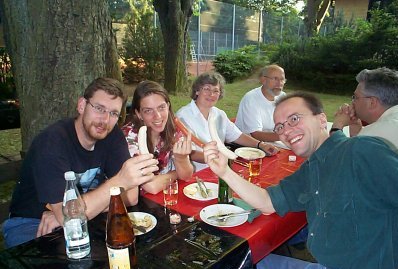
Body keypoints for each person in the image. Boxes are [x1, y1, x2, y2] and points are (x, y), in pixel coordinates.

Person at [203, 91, 398, 269]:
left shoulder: (360, 151)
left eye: (294, 119)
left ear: (322, 119)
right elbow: (268, 203)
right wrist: (225, 172)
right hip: (324, 264)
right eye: (280, 127)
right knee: (245, 262)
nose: (286, 130)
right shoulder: (312, 168)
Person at [2, 78, 159, 248]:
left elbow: (131, 197)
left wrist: (73, 212)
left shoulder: (112, 136)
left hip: (81, 218)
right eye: (99, 108)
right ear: (82, 105)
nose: (105, 120)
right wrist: (118, 183)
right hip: (31, 222)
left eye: (114, 113)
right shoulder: (52, 142)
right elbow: (69, 218)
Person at [176, 71, 278, 172]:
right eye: (207, 89)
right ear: (197, 91)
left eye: (216, 91)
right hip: (197, 172)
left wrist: (261, 145)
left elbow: (237, 135)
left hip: (221, 168)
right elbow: (188, 153)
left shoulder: (219, 114)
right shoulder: (183, 117)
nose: (211, 94)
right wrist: (216, 157)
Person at [121, 80, 193, 194]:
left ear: (168, 107)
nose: (157, 116)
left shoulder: (174, 129)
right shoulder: (129, 136)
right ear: (139, 114)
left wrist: (181, 159)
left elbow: (187, 176)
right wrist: (176, 173)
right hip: (136, 205)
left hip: (165, 197)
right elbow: (151, 186)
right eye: (148, 111)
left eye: (161, 107)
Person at [332, 67, 398, 150]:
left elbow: (340, 158)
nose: (352, 102)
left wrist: (337, 125)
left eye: (355, 97)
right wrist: (355, 126)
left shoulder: (376, 133)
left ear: (372, 102)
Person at [235, 64, 286, 142]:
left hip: (275, 142)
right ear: (263, 80)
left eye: (282, 79)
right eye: (275, 79)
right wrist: (287, 135)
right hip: (251, 145)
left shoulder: (283, 97)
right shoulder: (251, 99)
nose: (279, 83)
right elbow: (256, 135)